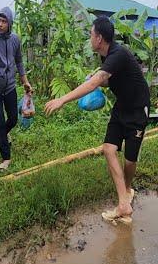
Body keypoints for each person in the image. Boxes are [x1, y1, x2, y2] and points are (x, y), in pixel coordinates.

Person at [45, 16, 151, 224]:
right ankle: (123, 204)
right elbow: (106, 81)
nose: (89, 39)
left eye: (91, 35)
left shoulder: (118, 54)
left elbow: (99, 81)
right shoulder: (107, 56)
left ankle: (126, 193)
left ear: (100, 38)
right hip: (122, 107)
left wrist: (63, 100)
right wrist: (94, 81)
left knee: (130, 160)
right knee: (109, 149)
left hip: (138, 109)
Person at [0, 6, 32, 171]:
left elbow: (19, 61)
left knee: (13, 119)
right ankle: (6, 158)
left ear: (10, 23)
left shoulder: (15, 39)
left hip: (10, 86)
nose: (0, 24)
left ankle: (3, 134)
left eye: (4, 21)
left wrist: (25, 81)